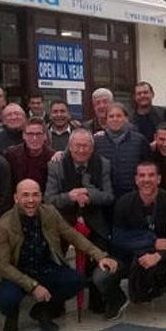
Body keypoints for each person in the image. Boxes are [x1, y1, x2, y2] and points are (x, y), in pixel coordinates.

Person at [0, 179, 122, 331]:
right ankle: (11, 316)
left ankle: (42, 311)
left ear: (41, 196)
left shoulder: (50, 213)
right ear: (16, 198)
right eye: (25, 195)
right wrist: (33, 286)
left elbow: (72, 235)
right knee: (6, 298)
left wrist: (99, 256)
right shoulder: (4, 224)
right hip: (18, 273)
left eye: (35, 195)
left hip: (45, 268)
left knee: (76, 281)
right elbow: (3, 266)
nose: (31, 200)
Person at [112, 162, 166, 319]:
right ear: (136, 179)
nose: (146, 179)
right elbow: (117, 238)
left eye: (151, 175)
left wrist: (158, 255)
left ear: (158, 179)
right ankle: (117, 300)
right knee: (104, 276)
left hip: (161, 254)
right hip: (134, 255)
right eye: (142, 175)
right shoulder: (124, 202)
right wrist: (150, 242)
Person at [44, 129, 114, 312]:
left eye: (86, 146)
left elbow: (108, 196)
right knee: (54, 256)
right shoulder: (56, 165)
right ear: (70, 146)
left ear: (92, 148)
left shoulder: (103, 164)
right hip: (63, 220)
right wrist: (70, 196)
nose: (81, 150)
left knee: (99, 250)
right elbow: (49, 200)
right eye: (77, 146)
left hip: (93, 219)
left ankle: (97, 299)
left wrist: (87, 194)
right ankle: (55, 303)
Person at [94, 103, 152, 199]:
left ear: (126, 118)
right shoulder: (97, 141)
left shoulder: (139, 140)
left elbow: (148, 166)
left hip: (132, 196)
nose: (115, 119)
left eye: (119, 116)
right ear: (106, 120)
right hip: (104, 196)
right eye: (111, 116)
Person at [3, 117, 55, 192]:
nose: (34, 138)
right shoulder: (10, 155)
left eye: (38, 134)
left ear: (45, 136)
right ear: (23, 136)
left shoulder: (52, 157)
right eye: (30, 134)